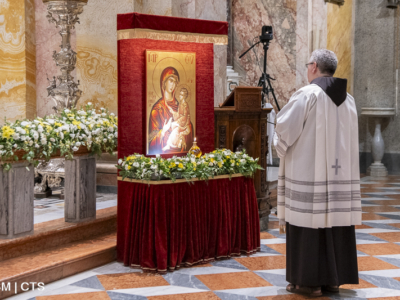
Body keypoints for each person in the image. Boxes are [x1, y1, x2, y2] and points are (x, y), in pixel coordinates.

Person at [273, 49, 361, 297]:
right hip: (339, 176)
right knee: (336, 221)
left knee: (308, 221)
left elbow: (284, 128)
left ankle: (308, 283)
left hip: (309, 174)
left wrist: (276, 137)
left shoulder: (307, 94)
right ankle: (334, 280)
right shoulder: (349, 99)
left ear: (313, 66)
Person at [148, 67, 193, 154]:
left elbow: (188, 127)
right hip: (161, 155)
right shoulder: (157, 109)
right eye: (171, 81)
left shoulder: (180, 106)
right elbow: (150, 140)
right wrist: (163, 131)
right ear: (164, 82)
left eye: (175, 82)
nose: (173, 84)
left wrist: (183, 134)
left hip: (180, 153)